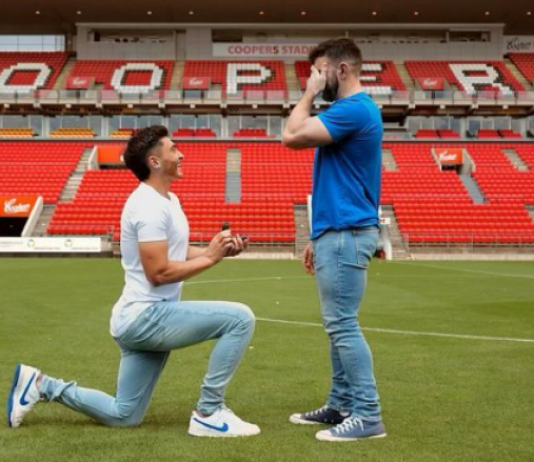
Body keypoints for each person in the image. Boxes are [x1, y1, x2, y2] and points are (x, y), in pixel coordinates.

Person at [7, 125, 260, 438]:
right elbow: (159, 273)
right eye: (173, 149)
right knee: (240, 319)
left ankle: (41, 385)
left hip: (139, 319)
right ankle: (209, 413)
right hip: (146, 317)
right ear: (154, 162)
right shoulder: (148, 206)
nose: (181, 154)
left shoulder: (168, 200)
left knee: (124, 415)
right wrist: (209, 258)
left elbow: (176, 252)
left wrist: (218, 251)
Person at [282, 38, 386, 442]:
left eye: (319, 70)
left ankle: (367, 415)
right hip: (336, 230)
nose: (314, 78)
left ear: (341, 70)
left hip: (347, 232)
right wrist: (317, 235)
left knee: (342, 323)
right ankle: (342, 404)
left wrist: (308, 94)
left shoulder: (353, 109)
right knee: (337, 323)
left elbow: (291, 135)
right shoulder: (351, 110)